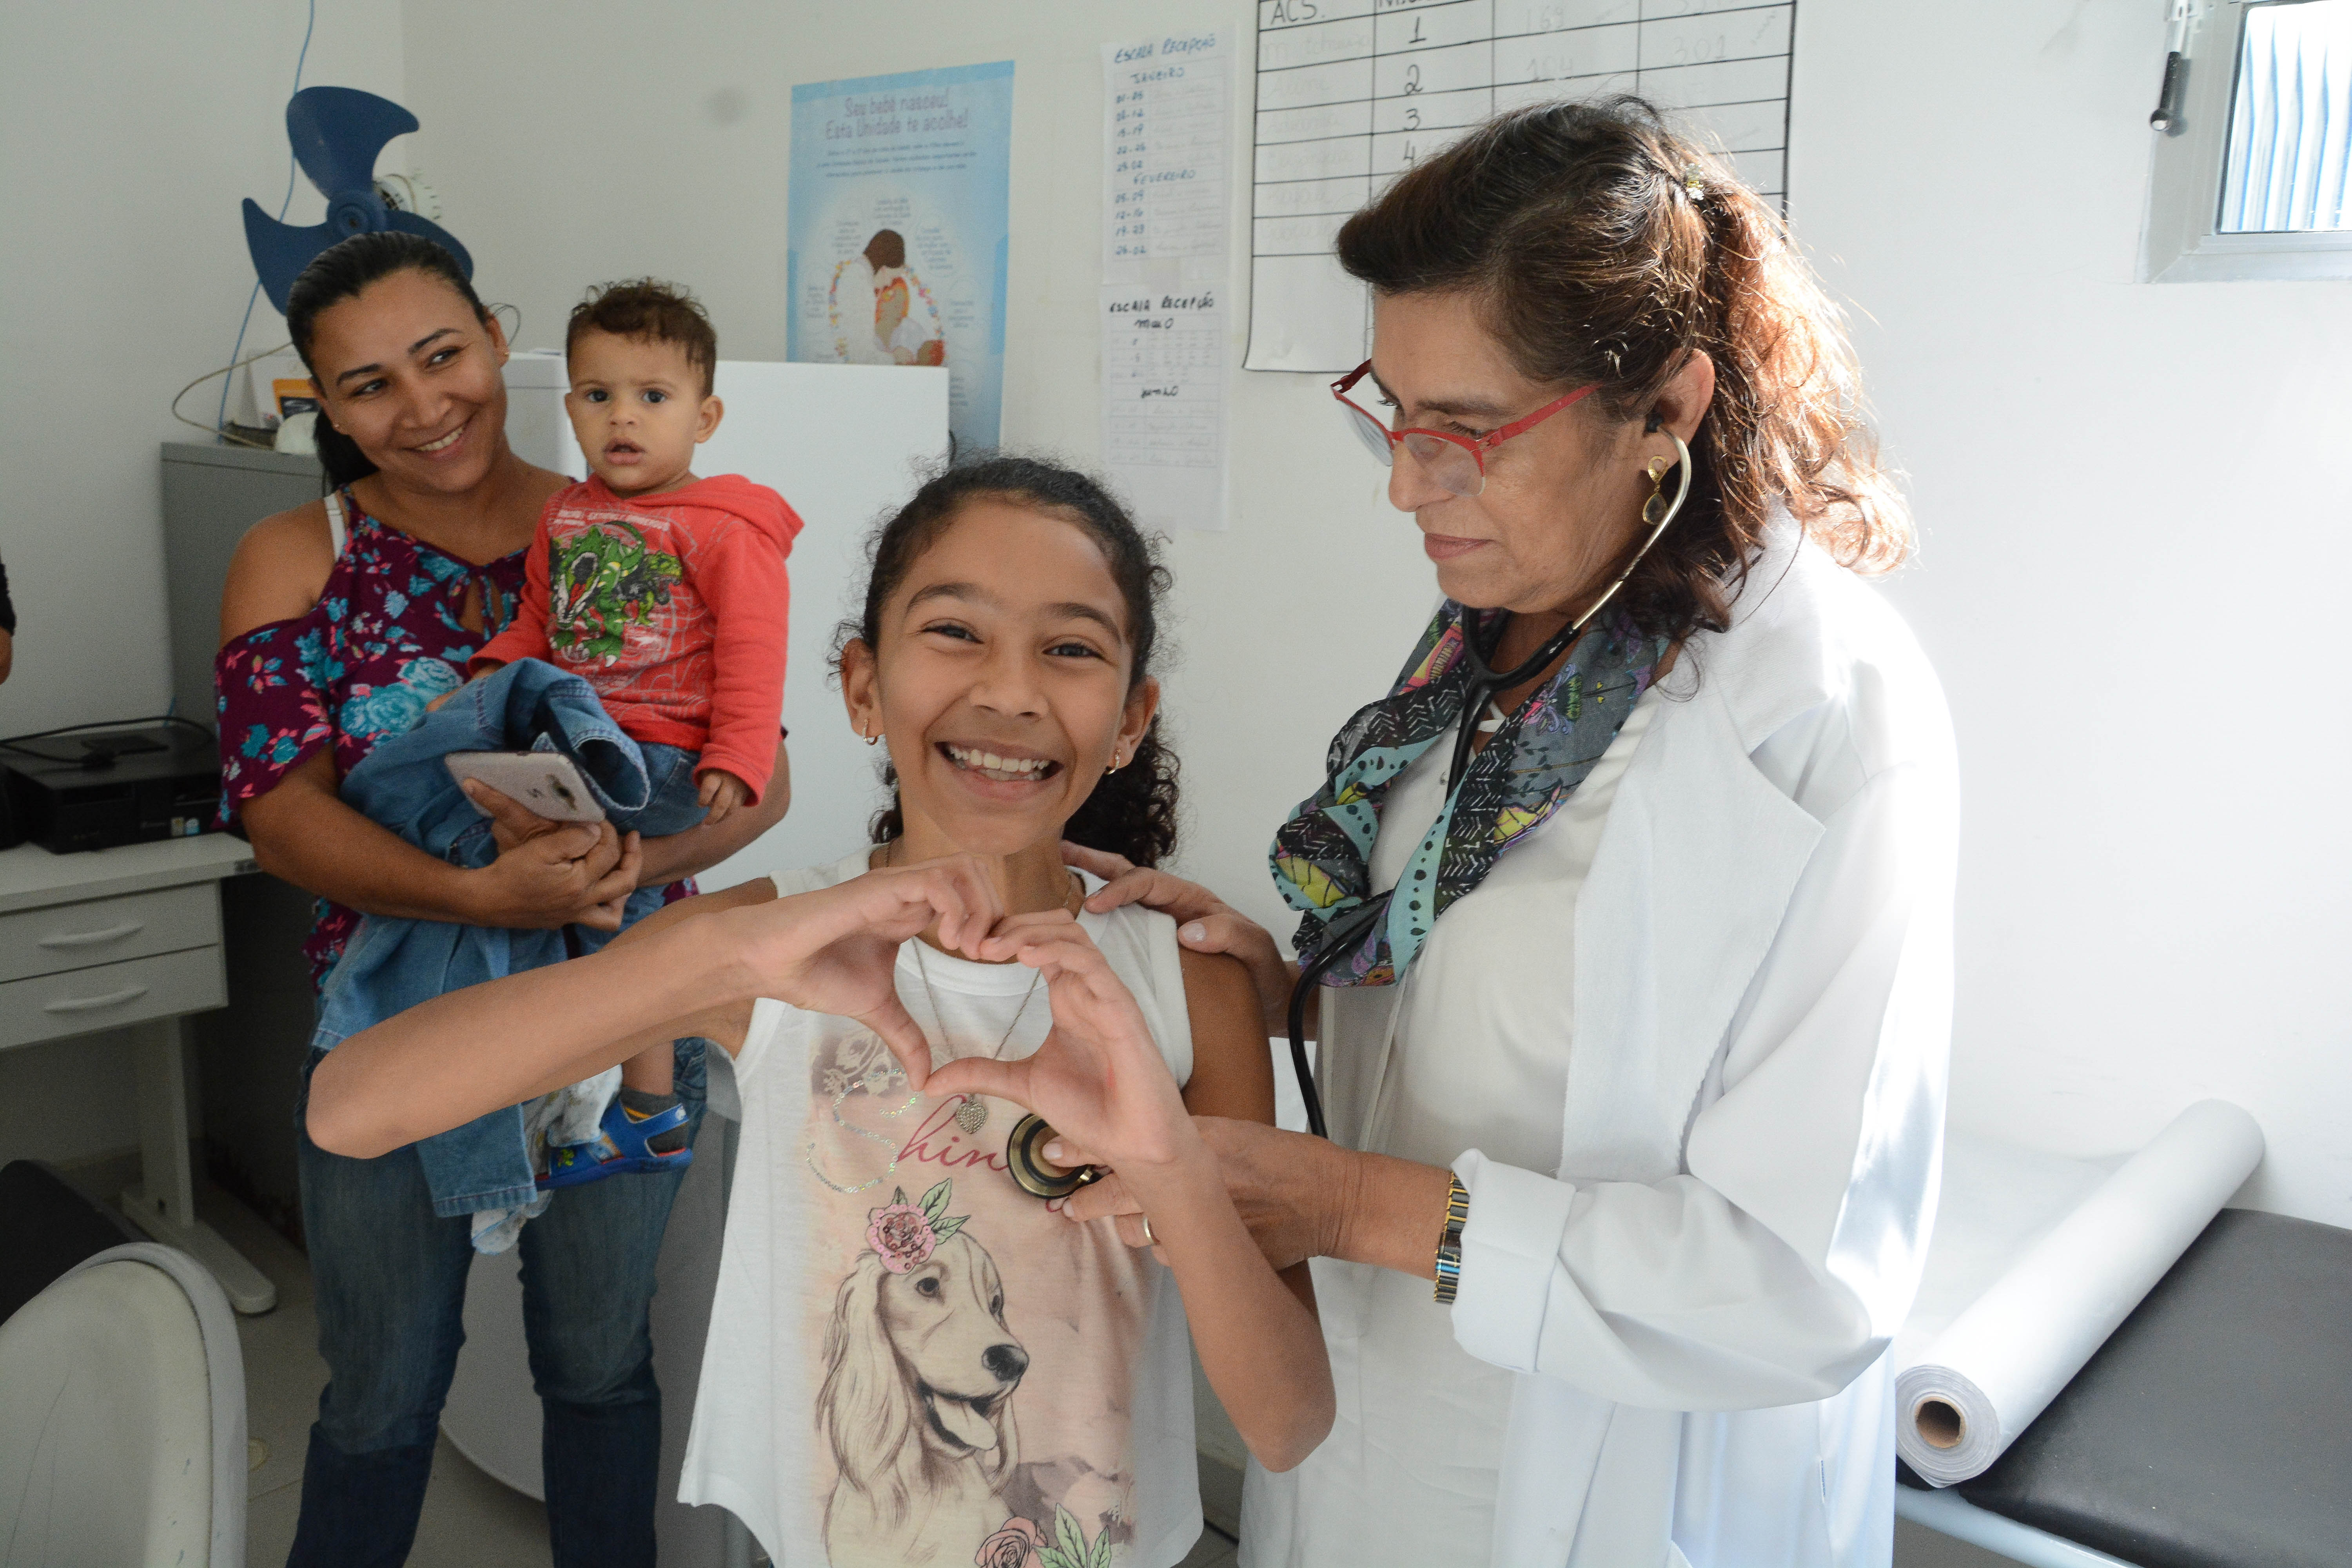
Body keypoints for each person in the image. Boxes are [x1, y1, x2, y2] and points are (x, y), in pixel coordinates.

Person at [1061, 98, 1959, 1566]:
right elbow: (1500, 989)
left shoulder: (1826, 720)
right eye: (1393, 414)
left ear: (1665, 408)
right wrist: (1291, 992)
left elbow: (1804, 1288)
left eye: (1469, 432)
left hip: (1605, 1485)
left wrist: (1350, 1201)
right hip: (1372, 1433)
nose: (1411, 482)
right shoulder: (1492, 644)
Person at [307, 457, 1336, 1567]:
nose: (1012, 691)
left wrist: (1169, 1160)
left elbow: (1287, 1422)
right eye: (955, 631)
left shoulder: (1190, 983)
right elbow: (355, 1107)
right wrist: (721, 944)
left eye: (1072, 648)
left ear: (1131, 719)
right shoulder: (773, 945)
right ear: (859, 684)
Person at [213, 230, 788, 1567]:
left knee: (600, 1371)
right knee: (380, 1396)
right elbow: (278, 815)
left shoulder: (629, 521)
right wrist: (482, 894)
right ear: (323, 404)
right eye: (367, 387)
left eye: (442, 357)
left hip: (617, 1010)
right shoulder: (299, 555)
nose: (421, 408)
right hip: (396, 1035)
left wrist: (617, 875)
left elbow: (751, 780)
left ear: (495, 339)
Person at [465, 277, 801, 1183]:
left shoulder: (725, 528)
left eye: (653, 397)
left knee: (497, 780)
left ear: (706, 414)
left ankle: (561, 1075)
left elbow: (755, 648)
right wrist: (495, 666)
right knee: (628, 923)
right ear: (571, 404)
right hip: (598, 747)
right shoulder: (569, 514)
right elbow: (541, 617)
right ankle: (647, 1110)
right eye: (599, 394)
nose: (624, 417)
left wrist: (736, 753)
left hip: (662, 755)